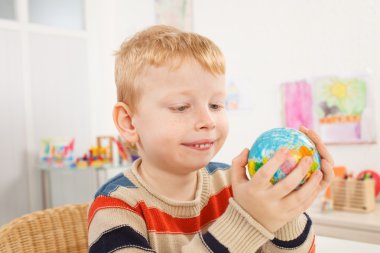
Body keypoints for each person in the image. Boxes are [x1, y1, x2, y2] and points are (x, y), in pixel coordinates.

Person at [87, 25, 334, 253]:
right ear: (129, 122)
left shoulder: (234, 186)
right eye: (182, 107)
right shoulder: (115, 207)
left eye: (216, 104)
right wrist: (248, 220)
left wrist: (287, 208)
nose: (208, 120)